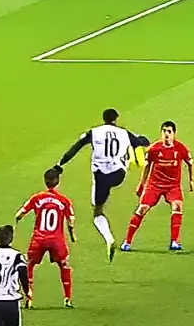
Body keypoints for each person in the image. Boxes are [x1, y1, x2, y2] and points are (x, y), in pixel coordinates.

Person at [56, 109, 149, 262]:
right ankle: (125, 162)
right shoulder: (124, 132)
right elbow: (142, 142)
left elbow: (75, 148)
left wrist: (60, 164)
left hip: (101, 177)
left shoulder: (94, 132)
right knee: (123, 162)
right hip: (118, 175)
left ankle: (109, 238)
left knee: (97, 211)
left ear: (104, 119)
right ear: (116, 119)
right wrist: (140, 139)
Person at [121, 120, 194, 252]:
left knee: (177, 206)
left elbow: (190, 163)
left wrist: (191, 181)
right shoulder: (154, 149)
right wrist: (141, 184)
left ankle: (175, 241)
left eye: (169, 131)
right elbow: (147, 166)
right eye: (164, 131)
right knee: (142, 209)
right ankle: (127, 241)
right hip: (154, 185)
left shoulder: (180, 148)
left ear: (174, 133)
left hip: (172, 186)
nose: (166, 134)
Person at [16, 168, 76, 309]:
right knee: (64, 265)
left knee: (29, 265)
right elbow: (71, 221)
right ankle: (67, 298)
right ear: (58, 181)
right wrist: (72, 235)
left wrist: (17, 222)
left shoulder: (37, 198)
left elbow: (20, 214)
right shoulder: (64, 201)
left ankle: (29, 297)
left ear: (45, 181)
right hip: (57, 240)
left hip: (39, 239)